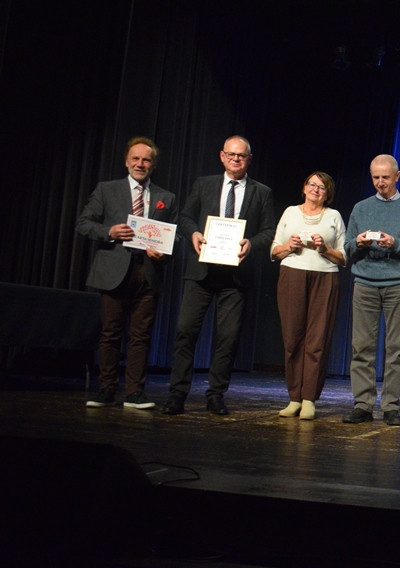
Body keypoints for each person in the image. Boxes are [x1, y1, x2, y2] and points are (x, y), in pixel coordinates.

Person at [163, 136, 275, 415]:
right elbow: (186, 217)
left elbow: (269, 232)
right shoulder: (204, 184)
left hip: (236, 276)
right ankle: (177, 395)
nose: (236, 159)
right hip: (201, 271)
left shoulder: (262, 192)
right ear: (222, 156)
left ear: (249, 159)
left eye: (242, 155)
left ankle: (216, 395)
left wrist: (251, 243)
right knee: (185, 332)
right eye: (231, 154)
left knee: (228, 338)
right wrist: (194, 233)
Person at [75, 137, 176, 409]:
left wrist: (163, 251)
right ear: (126, 161)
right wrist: (109, 232)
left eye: (145, 160)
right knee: (110, 333)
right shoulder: (107, 190)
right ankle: (106, 388)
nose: (140, 164)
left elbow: (174, 239)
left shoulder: (166, 197)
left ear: (153, 165)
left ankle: (135, 393)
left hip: (148, 273)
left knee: (141, 335)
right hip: (114, 271)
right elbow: (84, 224)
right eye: (135, 159)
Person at [342, 155, 400, 426]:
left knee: (396, 348)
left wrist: (396, 244)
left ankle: (390, 406)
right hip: (365, 282)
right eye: (375, 178)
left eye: (385, 178)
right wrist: (358, 241)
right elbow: (347, 250)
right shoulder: (361, 208)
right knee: (362, 346)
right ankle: (363, 404)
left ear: (397, 176)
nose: (380, 183)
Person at [271, 171, 346, 421]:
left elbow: (344, 257)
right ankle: (294, 398)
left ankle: (309, 399)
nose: (316, 189)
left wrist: (324, 248)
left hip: (325, 277)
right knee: (292, 338)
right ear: (304, 188)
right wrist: (288, 247)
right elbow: (274, 250)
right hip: (292, 274)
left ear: (328, 194)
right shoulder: (290, 212)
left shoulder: (334, 216)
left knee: (317, 339)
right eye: (312, 184)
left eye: (322, 187)